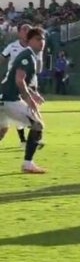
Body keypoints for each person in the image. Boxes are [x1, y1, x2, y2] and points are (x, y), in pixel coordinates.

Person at [0, 28, 47, 173]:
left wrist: (33, 94)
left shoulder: (28, 56)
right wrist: (29, 99)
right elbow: (19, 81)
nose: (42, 42)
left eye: (43, 39)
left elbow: (21, 81)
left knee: (2, 130)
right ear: (30, 41)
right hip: (9, 99)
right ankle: (28, 164)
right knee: (38, 125)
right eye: (38, 39)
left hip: (3, 98)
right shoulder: (27, 56)